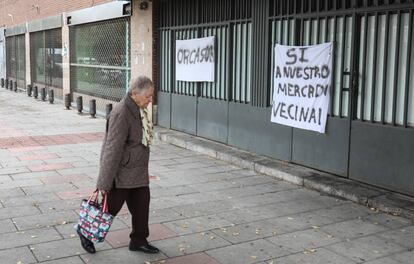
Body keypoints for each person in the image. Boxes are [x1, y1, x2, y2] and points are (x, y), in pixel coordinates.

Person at [77, 76, 159, 254]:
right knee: (108, 209)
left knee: (141, 207)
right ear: (135, 93)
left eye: (152, 96)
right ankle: (86, 233)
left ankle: (138, 241)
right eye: (148, 96)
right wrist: (103, 183)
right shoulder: (122, 113)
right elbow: (112, 148)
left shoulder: (138, 109)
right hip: (121, 174)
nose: (150, 100)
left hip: (138, 172)